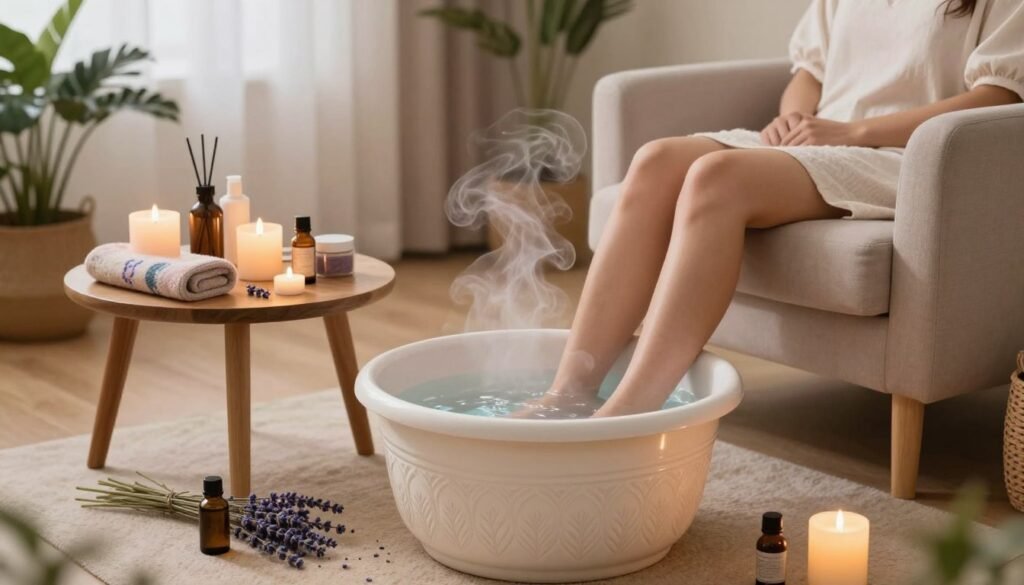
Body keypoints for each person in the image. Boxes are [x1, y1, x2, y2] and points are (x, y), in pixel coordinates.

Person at [527, 0, 1024, 418]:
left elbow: (996, 95)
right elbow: (810, 72)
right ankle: (566, 393)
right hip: (822, 140)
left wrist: (854, 132)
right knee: (656, 160)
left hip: (907, 159)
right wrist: (794, 117)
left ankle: (630, 413)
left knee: (715, 179)